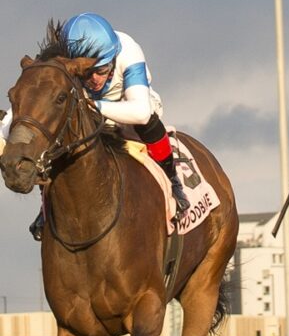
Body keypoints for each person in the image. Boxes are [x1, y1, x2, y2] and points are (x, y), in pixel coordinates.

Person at [23, 13, 189, 240]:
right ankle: (45, 209)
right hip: (86, 116)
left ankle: (172, 181)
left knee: (149, 122)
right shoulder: (63, 60)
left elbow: (140, 112)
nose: (95, 80)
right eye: (87, 73)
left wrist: (92, 104)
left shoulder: (128, 50)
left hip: (126, 108)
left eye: (101, 70)